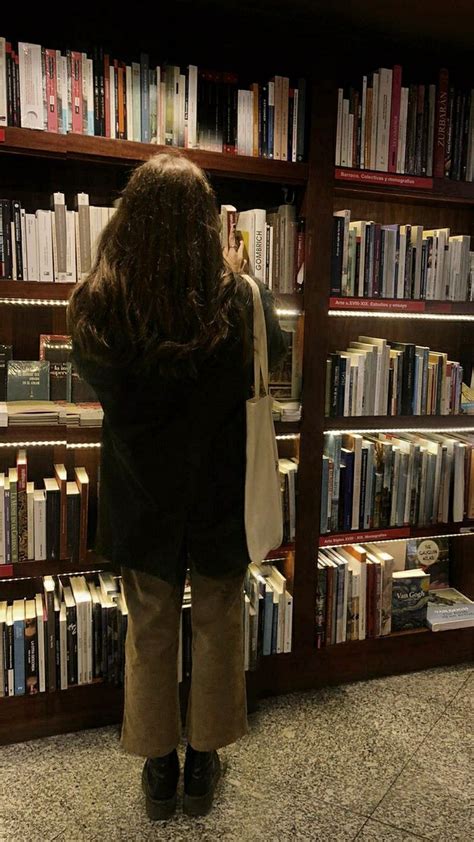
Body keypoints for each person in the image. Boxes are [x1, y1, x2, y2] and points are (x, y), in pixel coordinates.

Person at [68, 152, 287, 820]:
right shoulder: (239, 297)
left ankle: (159, 769)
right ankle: (203, 764)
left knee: (150, 627)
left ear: (129, 217)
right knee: (220, 622)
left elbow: (97, 380)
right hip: (219, 489)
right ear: (202, 223)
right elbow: (270, 362)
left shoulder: (97, 298)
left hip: (142, 492)